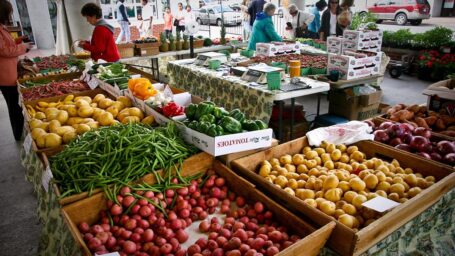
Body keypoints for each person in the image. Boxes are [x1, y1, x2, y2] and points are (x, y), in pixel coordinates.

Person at [0, 0, 32, 140]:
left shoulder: (1, 26)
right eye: (9, 12)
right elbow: (4, 50)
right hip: (5, 74)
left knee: (16, 103)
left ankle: (19, 130)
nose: (10, 15)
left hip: (9, 70)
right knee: (14, 105)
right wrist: (23, 47)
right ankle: (18, 134)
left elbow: (7, 44)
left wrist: (19, 40)